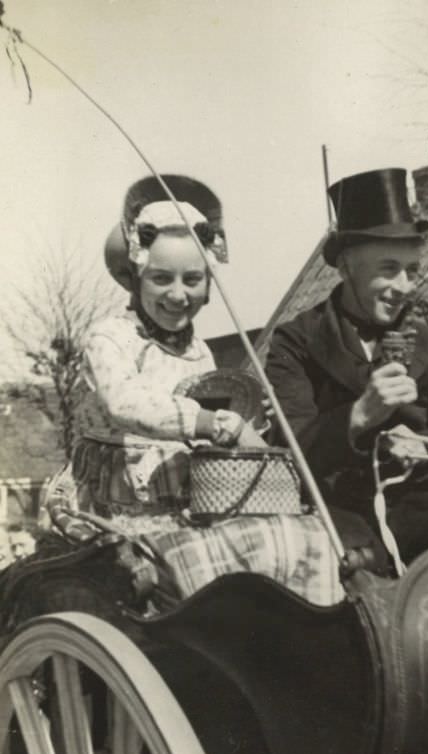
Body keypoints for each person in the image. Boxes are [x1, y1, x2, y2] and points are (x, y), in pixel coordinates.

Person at [44, 174, 343, 607]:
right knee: (181, 580)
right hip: (113, 506)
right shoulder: (110, 338)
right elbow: (126, 403)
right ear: (135, 277)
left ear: (209, 284)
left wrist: (249, 422)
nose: (178, 294)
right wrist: (208, 422)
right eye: (162, 279)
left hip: (186, 499)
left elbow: (214, 412)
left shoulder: (200, 351)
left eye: (193, 279)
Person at [266, 167, 428, 567]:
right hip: (336, 520)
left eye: (412, 271)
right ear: (348, 266)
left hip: (425, 514)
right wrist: (358, 417)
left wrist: (426, 450)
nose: (404, 286)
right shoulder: (297, 341)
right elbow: (287, 458)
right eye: (389, 269)